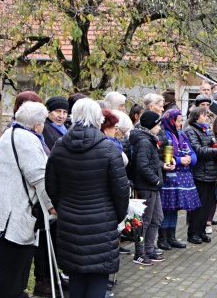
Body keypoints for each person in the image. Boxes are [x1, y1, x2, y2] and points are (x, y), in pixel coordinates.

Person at [45, 98, 129, 298]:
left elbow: (51, 186)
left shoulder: (59, 146)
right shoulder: (109, 149)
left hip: (70, 221)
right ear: (98, 119)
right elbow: (121, 190)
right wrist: (116, 216)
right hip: (102, 221)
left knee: (75, 276)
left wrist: (63, 207)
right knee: (98, 277)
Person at [0, 101, 55, 298]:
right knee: (10, 272)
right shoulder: (26, 139)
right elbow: (40, 177)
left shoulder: (11, 133)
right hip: (11, 218)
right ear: (36, 125)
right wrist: (52, 207)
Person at [35, 96, 70, 296]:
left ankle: (53, 275)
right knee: (44, 237)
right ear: (49, 112)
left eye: (64, 112)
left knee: (55, 238)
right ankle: (43, 279)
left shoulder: (62, 130)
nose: (61, 115)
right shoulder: (46, 130)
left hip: (58, 190)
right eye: (57, 111)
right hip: (46, 191)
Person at [129, 110, 174, 264]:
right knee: (145, 220)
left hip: (153, 186)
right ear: (151, 125)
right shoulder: (144, 141)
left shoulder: (149, 140)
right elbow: (142, 165)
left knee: (157, 217)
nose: (160, 128)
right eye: (158, 125)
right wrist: (155, 180)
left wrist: (162, 165)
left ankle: (149, 248)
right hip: (147, 186)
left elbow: (151, 162)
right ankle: (139, 253)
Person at [184, 107, 217, 244]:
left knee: (208, 204)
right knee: (198, 205)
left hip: (212, 172)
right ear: (196, 117)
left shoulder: (207, 130)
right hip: (201, 173)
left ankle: (202, 230)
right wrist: (216, 152)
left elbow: (212, 145)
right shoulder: (191, 131)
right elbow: (197, 150)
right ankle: (193, 233)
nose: (207, 118)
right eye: (204, 115)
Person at [159, 109, 201, 249]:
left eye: (181, 120)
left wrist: (190, 158)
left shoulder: (182, 134)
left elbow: (193, 153)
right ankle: (162, 238)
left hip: (184, 177)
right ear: (171, 121)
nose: (181, 123)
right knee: (167, 208)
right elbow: (163, 156)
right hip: (170, 177)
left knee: (175, 207)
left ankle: (172, 237)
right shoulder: (164, 135)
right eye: (178, 120)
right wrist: (179, 160)